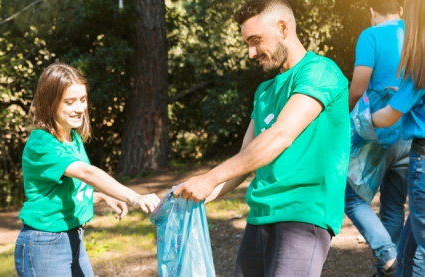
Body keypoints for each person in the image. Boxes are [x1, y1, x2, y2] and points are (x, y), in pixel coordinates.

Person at [173, 0, 350, 276]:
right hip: (260, 217)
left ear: (283, 28)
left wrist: (209, 178)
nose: (251, 52)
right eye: (247, 43)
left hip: (302, 215)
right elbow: (245, 160)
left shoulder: (319, 72)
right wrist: (195, 195)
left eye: (255, 41)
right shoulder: (264, 91)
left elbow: (280, 135)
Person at [13, 62, 161, 277]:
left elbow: (59, 194)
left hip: (72, 237)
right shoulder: (42, 144)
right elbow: (87, 173)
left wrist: (101, 197)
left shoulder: (72, 139)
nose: (80, 108)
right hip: (44, 244)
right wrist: (134, 197)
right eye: (70, 102)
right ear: (50, 103)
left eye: (82, 100)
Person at [344, 0, 408, 276]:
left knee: (349, 195)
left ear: (371, 11)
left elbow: (358, 88)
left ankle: (387, 254)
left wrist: (337, 119)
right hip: (412, 132)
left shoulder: (371, 35)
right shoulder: (416, 34)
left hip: (379, 132)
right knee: (393, 205)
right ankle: (388, 269)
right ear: (402, 10)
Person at [371, 0, 425, 275]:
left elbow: (388, 116)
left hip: (423, 161)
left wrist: (362, 119)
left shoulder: (420, 66)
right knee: (410, 245)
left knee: (421, 253)